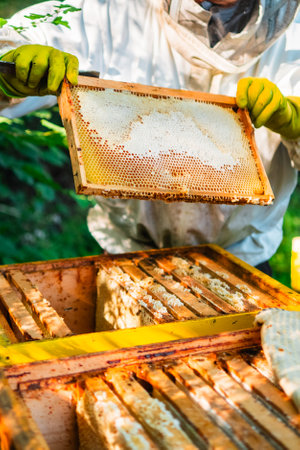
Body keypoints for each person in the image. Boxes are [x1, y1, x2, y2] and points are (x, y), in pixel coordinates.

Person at [0, 0, 299, 274]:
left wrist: (294, 121)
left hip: (241, 264)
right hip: (125, 256)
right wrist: (9, 65)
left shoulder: (293, 36)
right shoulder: (111, 11)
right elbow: (24, 34)